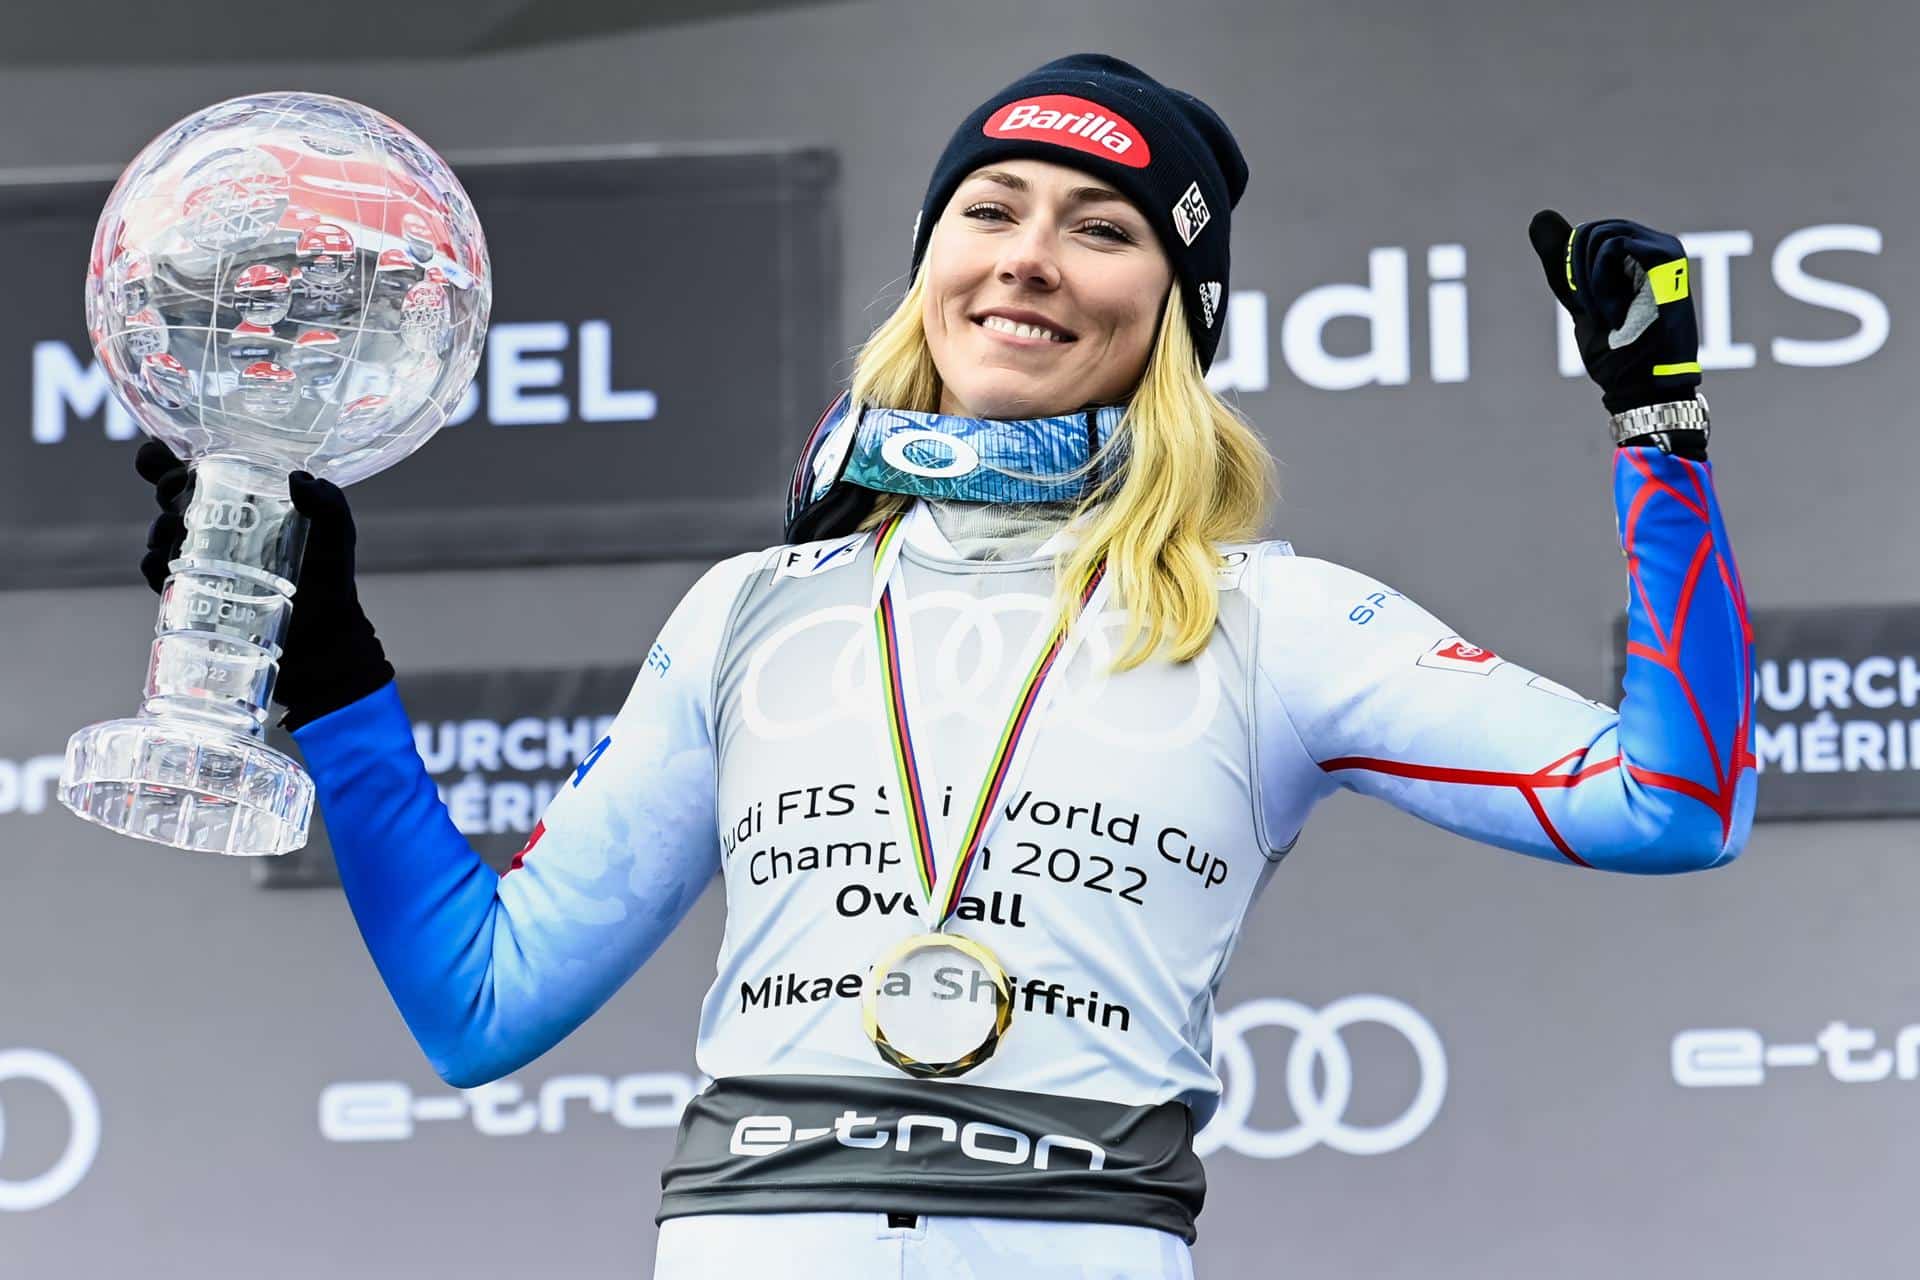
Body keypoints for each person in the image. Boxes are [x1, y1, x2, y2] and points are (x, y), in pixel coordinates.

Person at [137, 53, 1754, 1280]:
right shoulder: (754, 610)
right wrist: (335, 673)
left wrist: (1656, 433)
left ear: (1179, 315)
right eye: (990, 208)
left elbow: (1672, 804)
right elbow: (476, 1007)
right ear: (929, 258)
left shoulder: (1276, 621)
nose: (1029, 256)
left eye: (1101, 228)